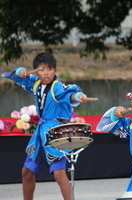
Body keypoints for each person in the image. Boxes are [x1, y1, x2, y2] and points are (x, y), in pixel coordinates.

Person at [1, 52, 88, 200]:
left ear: (55, 70)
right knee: (26, 171)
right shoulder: (35, 83)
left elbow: (69, 94)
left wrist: (77, 96)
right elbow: (13, 74)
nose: (46, 73)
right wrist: (20, 71)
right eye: (41, 69)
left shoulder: (57, 86)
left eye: (50, 69)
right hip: (41, 132)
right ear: (36, 71)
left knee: (59, 173)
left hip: (56, 132)